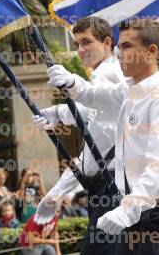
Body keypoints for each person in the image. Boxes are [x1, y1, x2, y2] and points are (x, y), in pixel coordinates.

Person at [47, 18, 159, 254]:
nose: (119, 53)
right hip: (136, 208)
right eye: (119, 47)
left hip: (157, 210)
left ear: (151, 51)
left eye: (127, 46)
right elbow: (93, 96)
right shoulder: (129, 91)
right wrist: (71, 81)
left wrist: (127, 210)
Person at [32, 16, 125, 255]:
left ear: (106, 43)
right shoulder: (104, 75)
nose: (81, 50)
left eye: (86, 42)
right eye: (77, 45)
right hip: (106, 187)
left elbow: (92, 103)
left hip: (114, 186)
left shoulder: (112, 73)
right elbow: (91, 113)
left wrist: (59, 111)